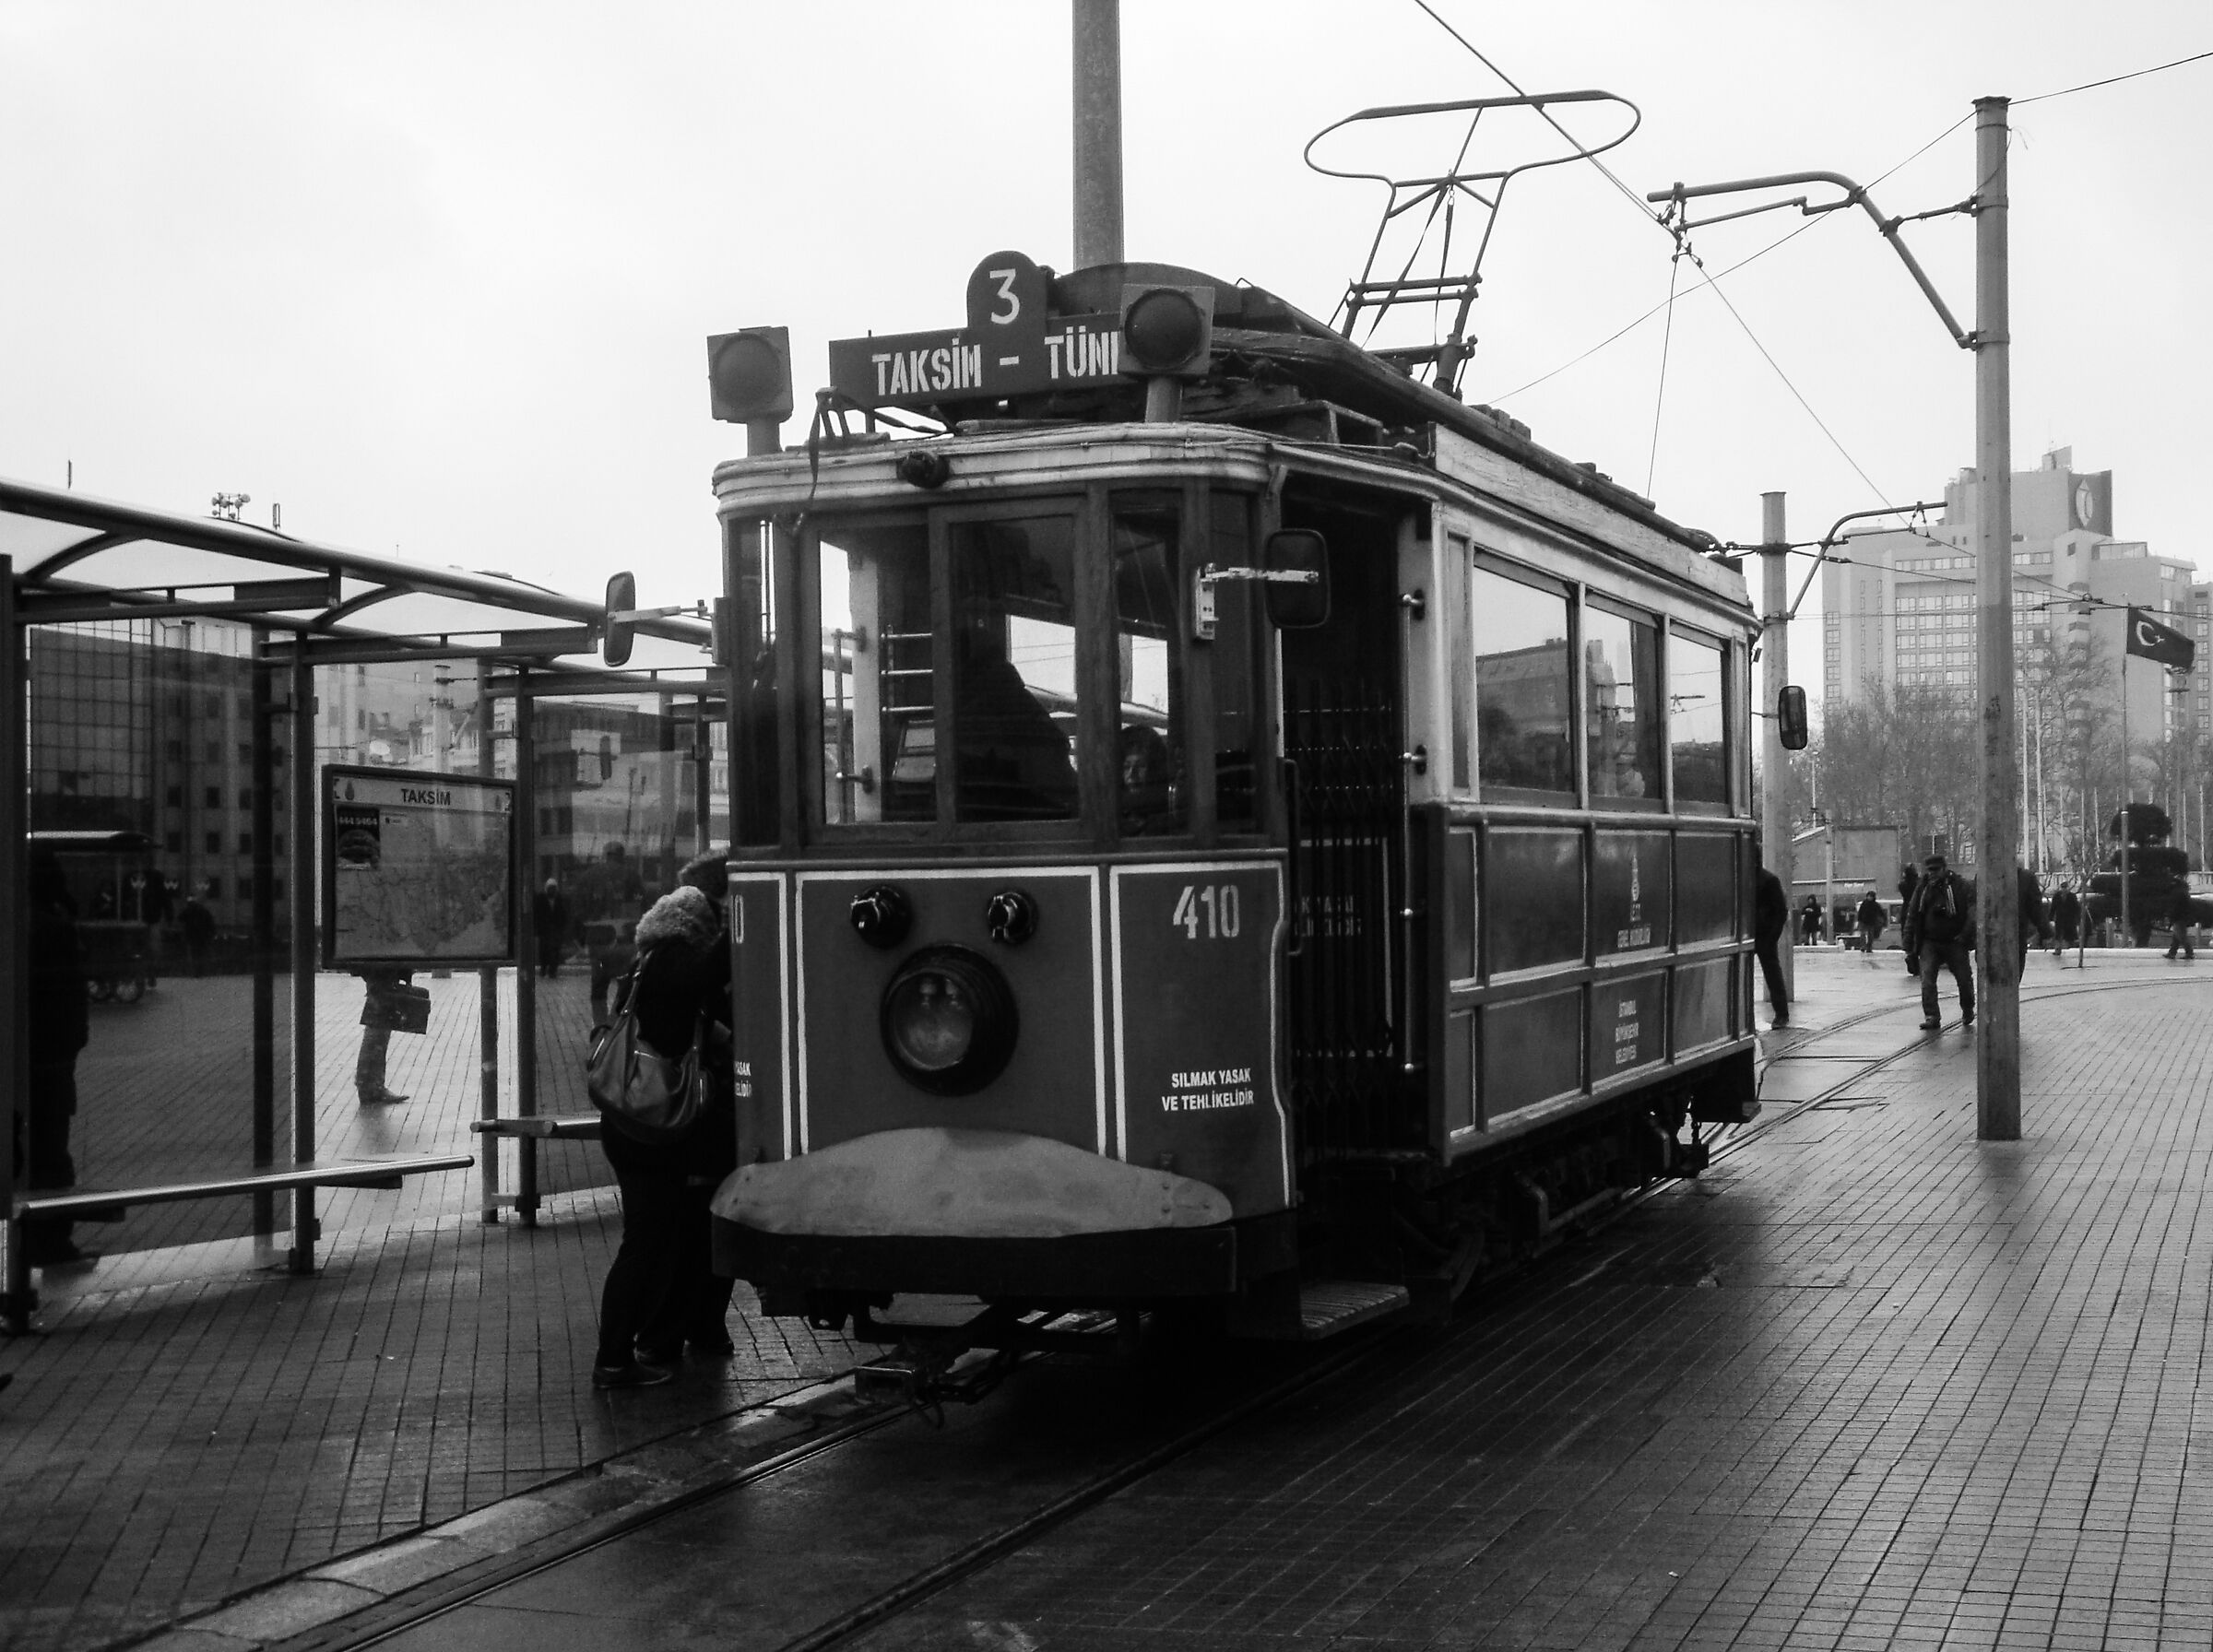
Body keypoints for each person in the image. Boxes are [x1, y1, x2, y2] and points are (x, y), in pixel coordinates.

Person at [591, 859, 737, 1389]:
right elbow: (711, 972)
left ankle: (626, 1351)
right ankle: (613, 1359)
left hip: (629, 1124)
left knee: (652, 1240)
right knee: (645, 1246)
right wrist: (742, 906)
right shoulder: (675, 960)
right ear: (696, 926)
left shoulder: (647, 959)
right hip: (648, 1128)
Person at [23, 850, 92, 1267]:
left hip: (26, 1055)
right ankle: (50, 1240)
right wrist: (72, 1043)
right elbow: (71, 994)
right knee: (51, 1151)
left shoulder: (20, 924)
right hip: (52, 1060)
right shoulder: (56, 929)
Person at [1905, 851, 1976, 1031]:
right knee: (1927, 979)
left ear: (1945, 869)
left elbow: (1972, 913)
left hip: (1955, 941)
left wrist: (1964, 936)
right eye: (1930, 870)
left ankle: (1968, 1008)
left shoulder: (1960, 886)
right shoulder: (1923, 888)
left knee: (1964, 979)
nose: (1933, 873)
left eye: (1936, 870)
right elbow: (1913, 915)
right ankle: (1932, 1016)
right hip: (1930, 941)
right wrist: (1909, 943)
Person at [356, 968, 419, 1104]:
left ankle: (370, 1085)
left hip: (380, 972)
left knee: (378, 1028)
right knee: (378, 1028)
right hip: (382, 973)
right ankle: (371, 1086)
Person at [1754, 848, 1790, 1029]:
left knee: (1772, 974)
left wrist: (1772, 936)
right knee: (1771, 974)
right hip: (1752, 934)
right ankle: (1780, 1014)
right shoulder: (1748, 879)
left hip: (1763, 934)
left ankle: (1781, 1013)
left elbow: (1781, 911)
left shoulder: (1769, 880)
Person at [533, 878, 572, 978]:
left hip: (556, 930)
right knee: (544, 950)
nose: (552, 890)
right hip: (544, 930)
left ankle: (553, 971)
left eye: (554, 888)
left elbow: (563, 914)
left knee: (555, 950)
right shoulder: (541, 899)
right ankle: (543, 969)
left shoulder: (559, 899)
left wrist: (561, 927)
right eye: (550, 888)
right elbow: (537, 914)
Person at [2017, 866, 2047, 976]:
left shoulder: (1984, 873)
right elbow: (2035, 908)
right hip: (2016, 939)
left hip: (1989, 941)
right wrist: (2045, 931)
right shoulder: (2026, 878)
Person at [179, 891, 215, 976]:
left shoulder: (188, 911)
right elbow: (210, 923)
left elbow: (180, 918)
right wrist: (211, 933)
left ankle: (196, 971)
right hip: (202, 936)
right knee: (201, 954)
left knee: (195, 954)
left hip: (192, 936)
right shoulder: (204, 911)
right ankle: (201, 971)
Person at [2049, 880, 2082, 963]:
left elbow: (2077, 908)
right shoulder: (2057, 896)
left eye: (2066, 888)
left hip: (2069, 918)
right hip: (2060, 918)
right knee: (2058, 934)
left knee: (2070, 935)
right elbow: (2053, 907)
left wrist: (2078, 918)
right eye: (2063, 888)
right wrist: (2050, 918)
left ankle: (2072, 948)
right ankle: (2058, 949)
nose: (2064, 890)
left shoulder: (2072, 896)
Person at [2162, 880, 2196, 962]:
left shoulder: (2177, 894)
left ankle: (2189, 953)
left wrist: (2170, 915)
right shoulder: (2183, 893)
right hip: (2182, 917)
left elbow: (2175, 907)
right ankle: (2172, 952)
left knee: (2181, 936)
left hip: (2179, 917)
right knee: (2176, 937)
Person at [1854, 889, 1886, 959]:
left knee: (1870, 935)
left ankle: (1869, 947)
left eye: (1871, 896)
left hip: (1871, 922)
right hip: (1863, 921)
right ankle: (1863, 946)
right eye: (1869, 896)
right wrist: (1859, 920)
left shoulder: (1875, 905)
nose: (1869, 898)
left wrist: (1882, 919)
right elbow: (1860, 912)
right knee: (1863, 934)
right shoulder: (1864, 903)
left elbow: (1881, 912)